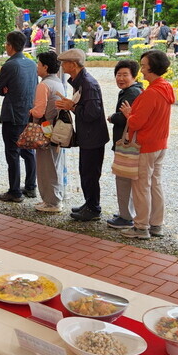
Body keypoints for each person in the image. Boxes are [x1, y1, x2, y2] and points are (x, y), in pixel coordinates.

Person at [118, 50, 174, 239]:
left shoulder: (151, 93)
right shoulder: (166, 87)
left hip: (146, 145)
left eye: (143, 65)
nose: (141, 69)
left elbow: (136, 123)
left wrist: (128, 113)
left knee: (141, 185)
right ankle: (156, 224)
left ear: (151, 67)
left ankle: (141, 226)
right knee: (155, 184)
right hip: (160, 144)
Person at [55, 48, 109, 221]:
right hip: (88, 135)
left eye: (64, 63)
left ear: (73, 64)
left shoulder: (88, 84)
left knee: (90, 173)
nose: (62, 66)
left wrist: (72, 107)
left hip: (93, 137)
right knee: (85, 172)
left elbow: (92, 113)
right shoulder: (80, 81)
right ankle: (89, 203)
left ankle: (93, 208)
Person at [0, 31, 38, 203]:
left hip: (13, 114)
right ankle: (30, 187)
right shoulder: (31, 63)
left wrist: (7, 89)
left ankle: (15, 191)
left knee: (12, 153)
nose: (6, 47)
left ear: (11, 46)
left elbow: (0, 89)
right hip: (28, 111)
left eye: (7, 44)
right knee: (28, 150)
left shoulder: (9, 65)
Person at [27, 51, 67, 214]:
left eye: (39, 64)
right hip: (56, 128)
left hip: (44, 129)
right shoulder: (58, 82)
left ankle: (51, 202)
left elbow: (39, 111)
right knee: (55, 163)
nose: (37, 67)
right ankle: (56, 197)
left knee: (46, 166)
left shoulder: (43, 85)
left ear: (45, 66)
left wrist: (30, 110)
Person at [106, 59, 142, 228]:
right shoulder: (131, 90)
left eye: (125, 75)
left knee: (124, 177)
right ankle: (126, 212)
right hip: (127, 141)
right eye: (118, 75)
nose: (120, 78)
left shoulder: (132, 93)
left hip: (126, 143)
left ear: (134, 76)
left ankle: (126, 216)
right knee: (126, 177)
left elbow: (124, 116)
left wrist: (112, 117)